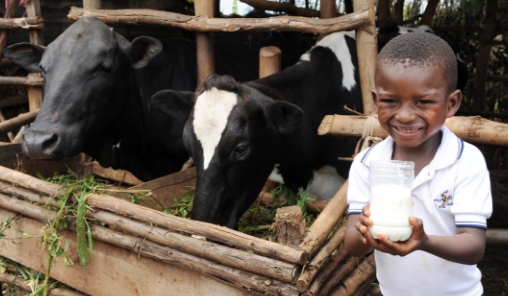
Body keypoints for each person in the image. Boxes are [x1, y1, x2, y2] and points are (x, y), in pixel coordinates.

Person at [344, 32, 493, 295]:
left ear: (452, 103)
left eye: (423, 102)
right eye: (390, 101)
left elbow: (473, 246)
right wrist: (366, 231)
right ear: (376, 100)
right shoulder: (368, 164)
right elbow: (353, 246)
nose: (404, 115)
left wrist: (423, 242)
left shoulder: (466, 161)